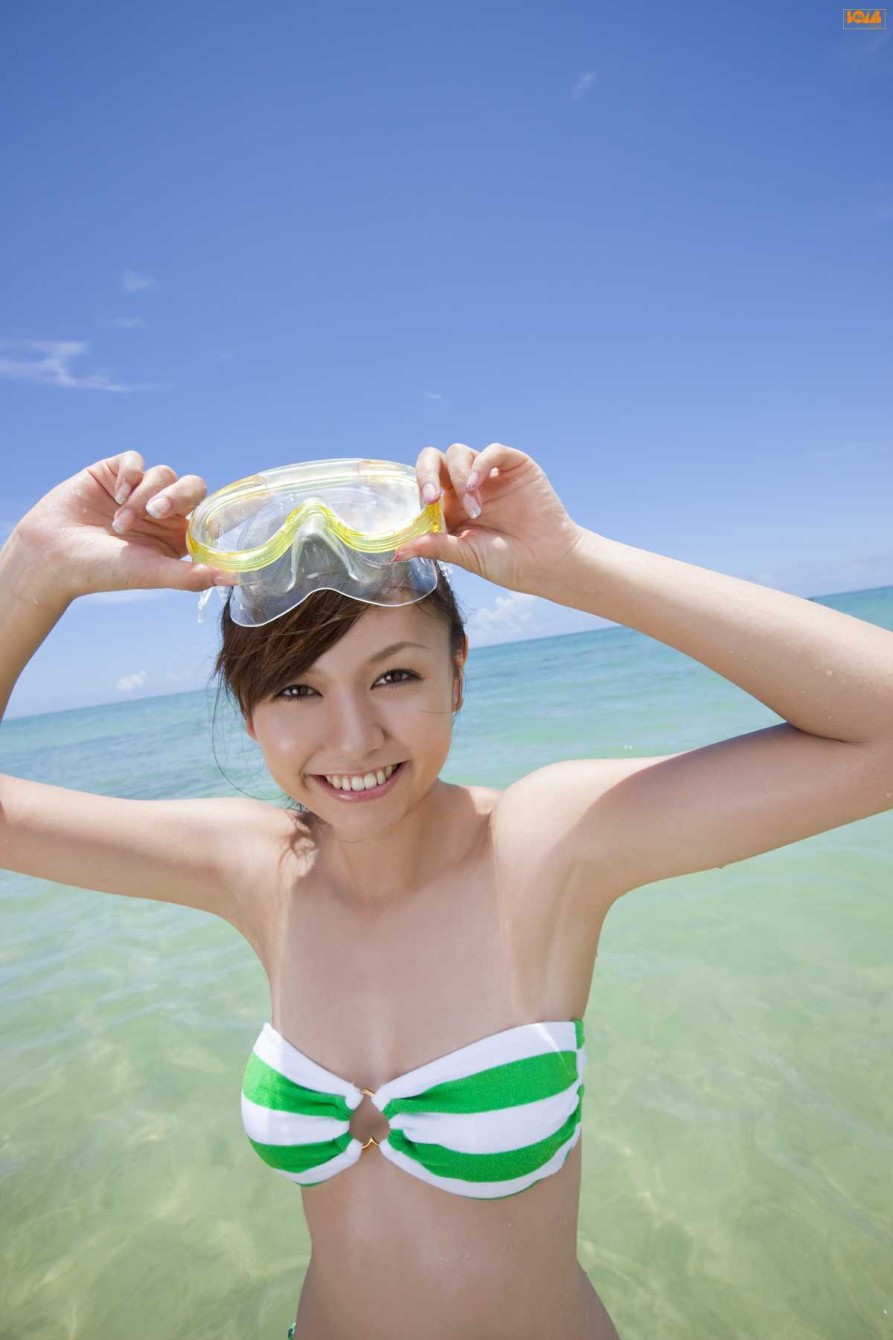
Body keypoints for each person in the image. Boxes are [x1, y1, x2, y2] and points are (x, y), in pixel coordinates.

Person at [1, 443, 891, 1340]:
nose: (352, 738)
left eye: (395, 676)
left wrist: (571, 563)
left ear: (457, 674)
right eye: (296, 690)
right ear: (249, 714)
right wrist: (35, 570)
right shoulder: (256, 867)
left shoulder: (545, 846)